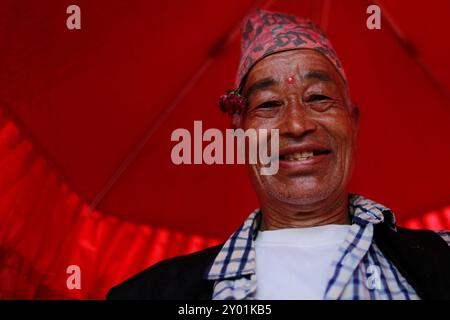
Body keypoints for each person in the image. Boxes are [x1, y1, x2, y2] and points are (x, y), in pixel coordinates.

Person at [107, 9, 450, 300]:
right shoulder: (153, 294)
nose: (297, 124)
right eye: (269, 104)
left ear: (353, 122)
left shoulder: (442, 260)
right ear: (239, 136)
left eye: (318, 97)